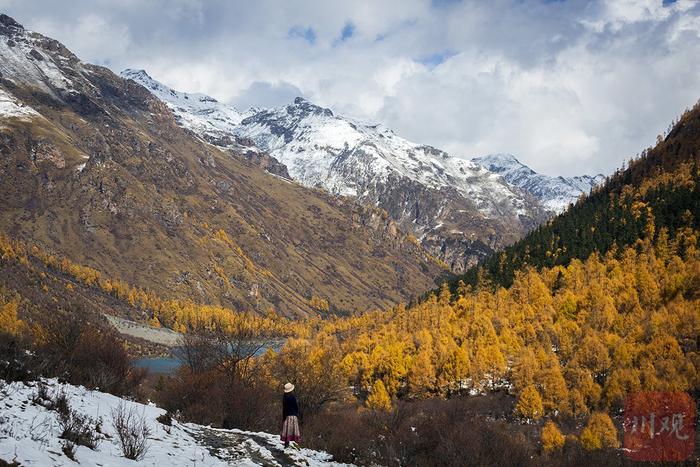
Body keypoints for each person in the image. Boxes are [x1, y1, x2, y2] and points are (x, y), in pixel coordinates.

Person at [281, 382, 301, 448]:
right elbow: (296, 407)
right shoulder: (293, 397)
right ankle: (291, 444)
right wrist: (297, 414)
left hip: (287, 415)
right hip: (293, 415)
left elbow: (284, 408)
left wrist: (284, 417)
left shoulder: (284, 397)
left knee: (287, 430)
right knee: (292, 430)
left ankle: (287, 443)